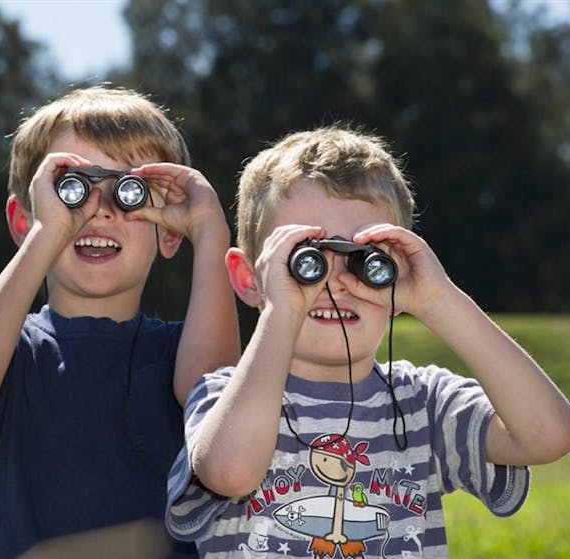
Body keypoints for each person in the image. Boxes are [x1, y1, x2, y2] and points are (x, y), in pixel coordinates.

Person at [165, 125, 570, 558]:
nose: (336, 282)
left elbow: (549, 435)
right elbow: (230, 471)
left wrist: (437, 299)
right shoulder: (225, 394)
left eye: (364, 261)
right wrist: (283, 308)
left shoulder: (423, 403)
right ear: (250, 279)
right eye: (308, 257)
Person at [0, 85, 240, 558]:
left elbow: (218, 405)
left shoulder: (181, 353)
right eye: (71, 189)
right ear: (23, 223)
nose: (102, 210)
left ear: (170, 234)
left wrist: (211, 227)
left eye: (130, 192)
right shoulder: (8, 349)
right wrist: (50, 228)